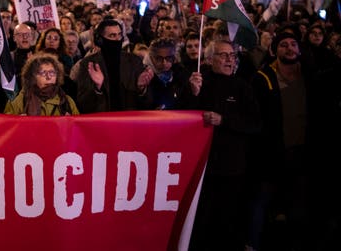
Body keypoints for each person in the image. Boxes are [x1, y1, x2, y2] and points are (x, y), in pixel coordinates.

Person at [185, 40, 262, 251]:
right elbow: (183, 118)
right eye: (223, 55)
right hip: (202, 167)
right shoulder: (198, 82)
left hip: (232, 168)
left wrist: (224, 120)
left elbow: (255, 123)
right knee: (203, 223)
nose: (229, 60)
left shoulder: (243, 86)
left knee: (228, 222)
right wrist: (193, 94)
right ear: (209, 59)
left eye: (232, 56)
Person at [248, 30, 315, 250]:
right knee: (261, 205)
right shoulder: (262, 78)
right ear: (274, 50)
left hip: (301, 154)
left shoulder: (310, 76)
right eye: (283, 44)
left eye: (293, 44)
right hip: (270, 155)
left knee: (299, 208)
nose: (289, 48)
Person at [76, 19, 144, 113]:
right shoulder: (88, 64)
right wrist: (97, 88)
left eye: (119, 35)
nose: (117, 39)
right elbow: (82, 103)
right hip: (103, 121)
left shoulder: (134, 61)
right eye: (112, 35)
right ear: (100, 40)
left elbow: (146, 103)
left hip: (129, 120)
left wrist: (142, 89)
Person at [5, 53, 78, 116]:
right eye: (43, 73)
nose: (48, 77)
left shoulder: (67, 101)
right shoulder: (19, 101)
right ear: (32, 77)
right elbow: (7, 128)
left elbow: (78, 129)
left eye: (52, 72)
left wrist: (70, 123)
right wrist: (17, 123)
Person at [135, 37, 194, 110]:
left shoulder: (181, 74)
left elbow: (187, 103)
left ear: (174, 57)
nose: (164, 62)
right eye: (159, 58)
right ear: (151, 57)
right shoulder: (143, 75)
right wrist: (141, 89)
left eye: (169, 58)